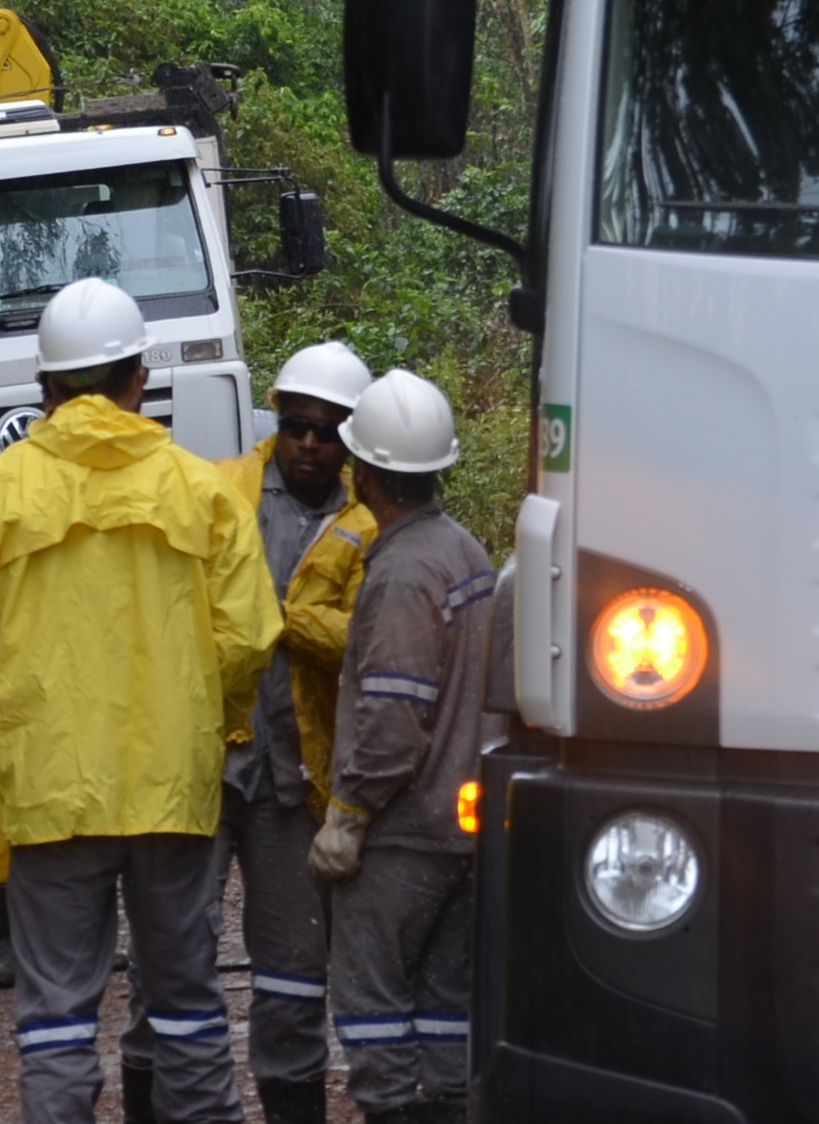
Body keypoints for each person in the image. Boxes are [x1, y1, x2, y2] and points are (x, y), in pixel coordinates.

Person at [0, 277, 281, 1124]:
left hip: (52, 789)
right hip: (173, 787)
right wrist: (208, 715)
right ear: (141, 378)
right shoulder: (201, 488)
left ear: (45, 390)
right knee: (187, 1005)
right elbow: (249, 638)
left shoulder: (0, 487)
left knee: (58, 1017)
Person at [128, 340, 377, 1124]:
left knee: (295, 974)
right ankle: (148, 1100)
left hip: (294, 782)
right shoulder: (218, 488)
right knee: (167, 961)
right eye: (297, 423)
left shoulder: (370, 523)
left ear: (353, 440)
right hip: (200, 765)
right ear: (277, 417)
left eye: (328, 430)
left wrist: (278, 615)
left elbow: (367, 641)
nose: (310, 441)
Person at [307, 368, 496, 1124]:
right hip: (464, 826)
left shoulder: (401, 573)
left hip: (404, 833)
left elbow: (392, 716)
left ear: (366, 472)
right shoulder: (467, 552)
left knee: (373, 1005)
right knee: (447, 1006)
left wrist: (348, 814)